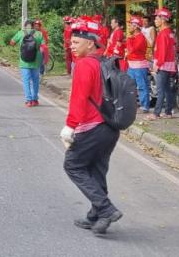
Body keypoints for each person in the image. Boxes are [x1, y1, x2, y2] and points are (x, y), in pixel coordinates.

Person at [61, 18, 123, 236]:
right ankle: (96, 216)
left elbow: (79, 97)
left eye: (76, 41)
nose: (72, 45)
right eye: (71, 41)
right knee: (96, 170)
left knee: (73, 165)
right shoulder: (102, 61)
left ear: (91, 43)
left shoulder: (85, 64)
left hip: (93, 126)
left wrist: (70, 126)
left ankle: (106, 209)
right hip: (110, 128)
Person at [149, 7, 177, 120]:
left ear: (163, 20)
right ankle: (168, 112)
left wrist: (157, 64)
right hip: (168, 64)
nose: (155, 20)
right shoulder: (170, 33)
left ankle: (156, 113)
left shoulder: (163, 34)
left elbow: (163, 52)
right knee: (166, 89)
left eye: (157, 18)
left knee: (160, 90)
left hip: (162, 64)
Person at [9, 20, 44, 107]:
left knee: (26, 81)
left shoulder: (20, 33)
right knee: (35, 80)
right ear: (33, 26)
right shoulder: (39, 34)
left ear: (25, 26)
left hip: (24, 61)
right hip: (36, 61)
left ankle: (28, 101)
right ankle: (35, 100)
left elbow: (12, 42)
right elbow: (43, 45)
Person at [124, 17, 152, 114]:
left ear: (136, 27)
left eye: (131, 25)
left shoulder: (140, 37)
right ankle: (131, 104)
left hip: (139, 66)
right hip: (132, 66)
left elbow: (132, 49)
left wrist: (128, 40)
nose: (129, 27)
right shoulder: (134, 37)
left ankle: (145, 106)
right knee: (130, 86)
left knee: (142, 86)